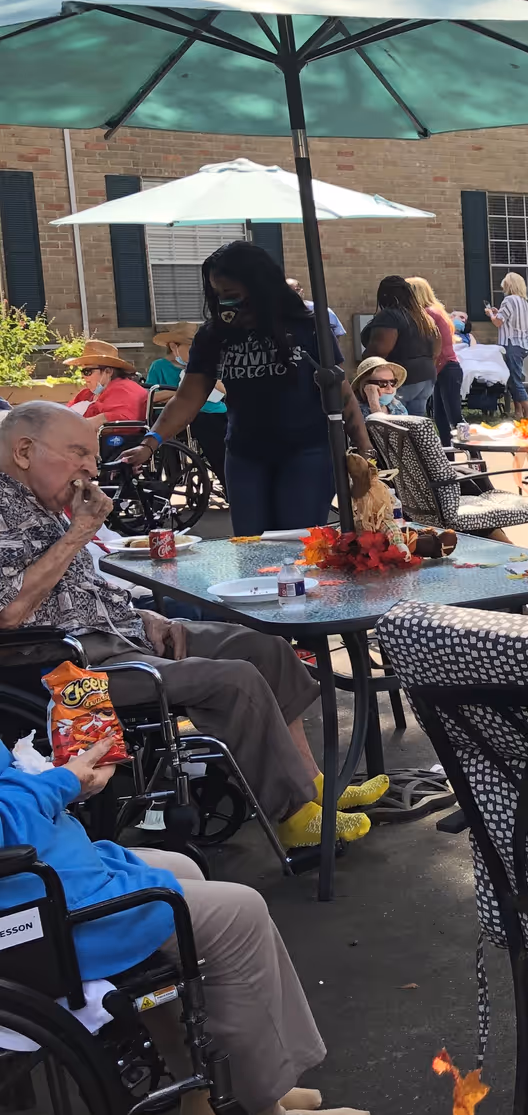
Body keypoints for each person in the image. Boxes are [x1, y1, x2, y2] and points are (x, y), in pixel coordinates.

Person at [0, 402, 387, 847]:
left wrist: (144, 615)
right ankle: (295, 814)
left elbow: (76, 593)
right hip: (68, 672)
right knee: (234, 680)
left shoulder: (38, 501)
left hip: (118, 636)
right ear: (25, 450)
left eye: (91, 455)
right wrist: (78, 534)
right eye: (78, 453)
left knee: (263, 647)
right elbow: (10, 612)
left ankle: (311, 783)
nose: (91, 467)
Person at [0, 735, 371, 1115]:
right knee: (240, 915)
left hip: (41, 877)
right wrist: (63, 781)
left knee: (182, 867)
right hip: (29, 917)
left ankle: (211, 1094)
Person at [123, 242, 375, 536]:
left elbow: (341, 391)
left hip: (307, 454)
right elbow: (187, 399)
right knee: (250, 545)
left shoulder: (308, 327)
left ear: (260, 287)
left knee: (298, 546)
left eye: (231, 294)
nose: (225, 303)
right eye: (218, 295)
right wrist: (149, 442)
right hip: (245, 455)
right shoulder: (214, 334)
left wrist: (364, 450)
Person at [144, 327, 226, 482]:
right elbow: (152, 396)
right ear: (174, 346)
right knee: (210, 432)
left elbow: (225, 390)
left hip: (218, 411)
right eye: (192, 349)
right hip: (190, 416)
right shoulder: (160, 366)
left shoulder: (204, 364)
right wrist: (183, 391)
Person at [360, 276, 436, 418]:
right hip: (426, 377)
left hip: (401, 378)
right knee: (415, 424)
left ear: (383, 294)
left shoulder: (390, 316)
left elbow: (378, 351)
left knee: (396, 423)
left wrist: (363, 372)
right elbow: (437, 347)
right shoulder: (422, 317)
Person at [408, 276, 464, 447]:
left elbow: (432, 343)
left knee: (454, 416)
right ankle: (448, 455)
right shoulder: (436, 310)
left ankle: (473, 451)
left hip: (446, 367)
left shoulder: (428, 314)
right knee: (440, 416)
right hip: (444, 369)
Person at [484, 273, 528, 420]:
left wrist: (490, 314)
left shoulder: (508, 300)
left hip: (511, 344)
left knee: (514, 380)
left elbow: (498, 322)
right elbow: (513, 321)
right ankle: (518, 412)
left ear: (509, 285)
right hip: (523, 344)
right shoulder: (523, 302)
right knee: (514, 377)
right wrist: (498, 312)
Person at [65, 341, 148, 424]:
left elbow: (120, 419)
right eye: (82, 371)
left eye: (87, 371)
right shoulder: (87, 393)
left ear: (108, 372)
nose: (83, 376)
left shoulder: (123, 390)